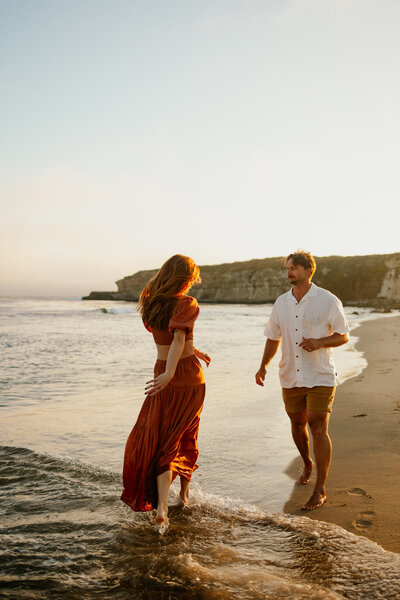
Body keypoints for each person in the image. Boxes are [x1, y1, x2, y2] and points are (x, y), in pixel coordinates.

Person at [255, 250, 349, 510]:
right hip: (290, 373)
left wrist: (319, 342)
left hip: (320, 374)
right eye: (287, 268)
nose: (289, 272)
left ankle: (320, 488)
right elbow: (273, 337)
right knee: (297, 423)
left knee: (316, 423)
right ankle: (307, 462)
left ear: (309, 271)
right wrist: (263, 366)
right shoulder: (281, 303)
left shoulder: (328, 300)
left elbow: (343, 335)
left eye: (294, 267)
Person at [121, 255, 211, 526]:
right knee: (185, 435)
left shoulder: (152, 302)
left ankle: (162, 507)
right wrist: (171, 373)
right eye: (191, 278)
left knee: (163, 439)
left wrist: (194, 351)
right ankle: (183, 496)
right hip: (183, 376)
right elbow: (179, 337)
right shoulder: (187, 303)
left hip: (162, 369)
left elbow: (169, 338)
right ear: (185, 279)